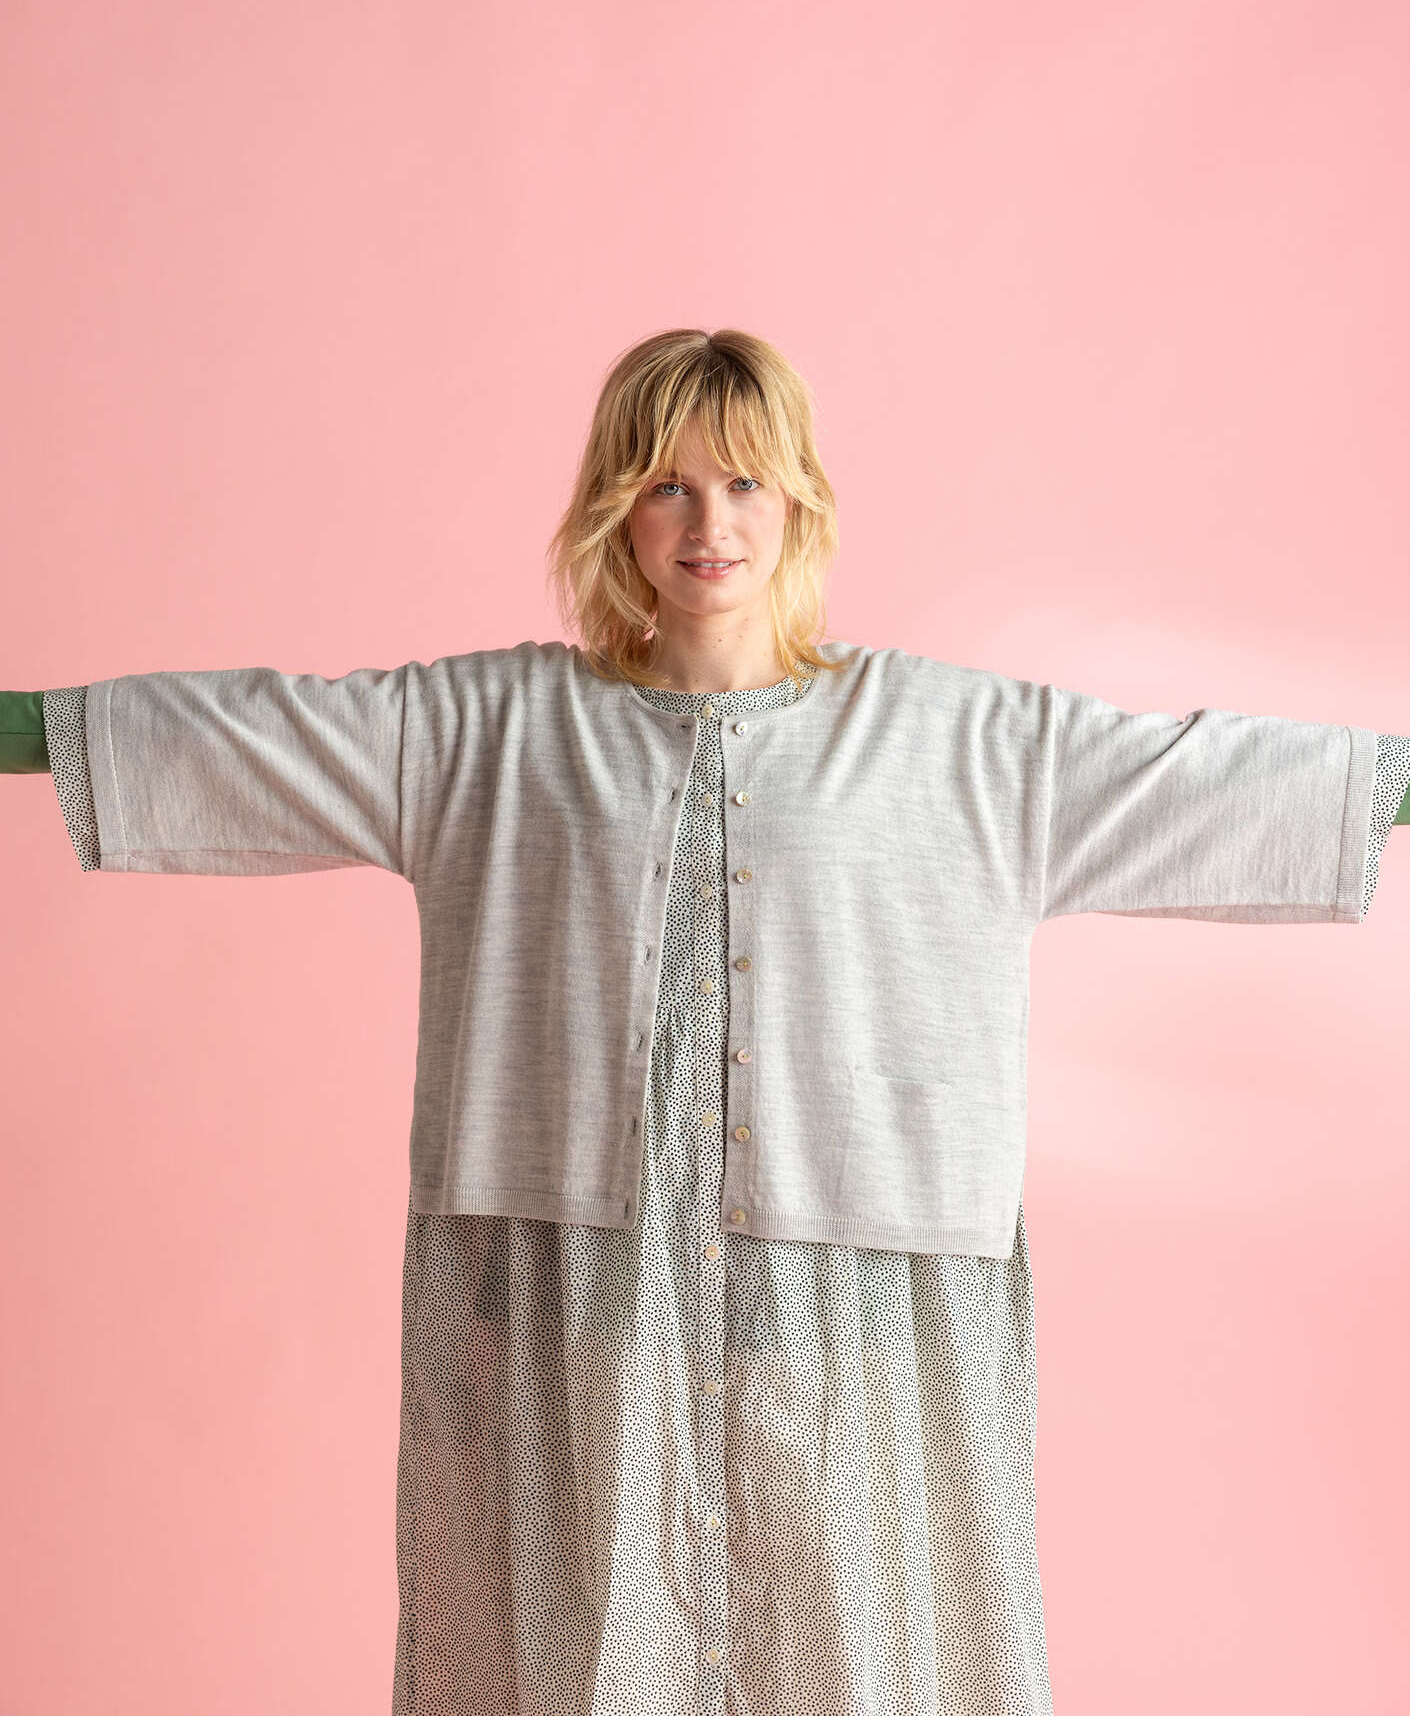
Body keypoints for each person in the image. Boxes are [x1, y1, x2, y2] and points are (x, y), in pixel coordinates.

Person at [5, 326, 1408, 1716]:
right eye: (667, 485)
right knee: (569, 1668)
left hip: (860, 1300)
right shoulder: (488, 730)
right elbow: (254, 731)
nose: (708, 525)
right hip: (572, 1296)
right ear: (615, 507)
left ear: (798, 497)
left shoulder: (959, 743)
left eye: (743, 482)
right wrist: (30, 727)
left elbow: (1193, 777)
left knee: (866, 1673)